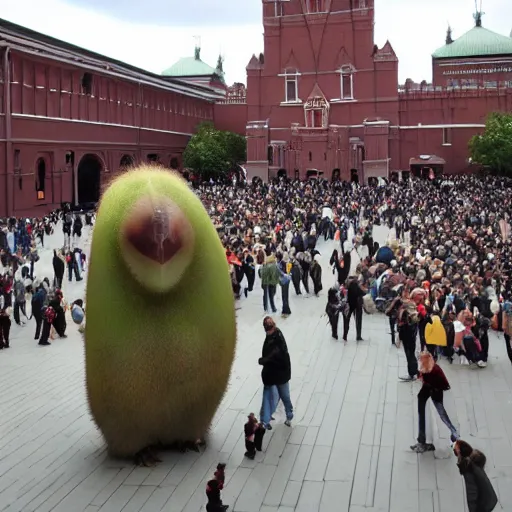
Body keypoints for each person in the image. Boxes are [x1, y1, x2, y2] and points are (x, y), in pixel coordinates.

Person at [411, 352, 460, 453]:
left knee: (443, 414)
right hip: (430, 388)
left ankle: (455, 434)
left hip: (437, 390)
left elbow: (440, 385)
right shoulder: (427, 368)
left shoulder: (434, 370)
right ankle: (422, 440)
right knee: (424, 410)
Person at [258, 317, 294, 430]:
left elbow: (277, 355)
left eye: (269, 329)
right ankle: (265, 419)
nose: (268, 331)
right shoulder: (272, 337)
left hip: (280, 374)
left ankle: (288, 415)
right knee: (270, 396)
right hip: (273, 374)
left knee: (283, 396)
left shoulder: (277, 339)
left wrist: (265, 360)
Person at [454, 441, 498, 512]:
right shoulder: (475, 463)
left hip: (483, 506)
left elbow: (471, 493)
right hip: (489, 499)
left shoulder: (469, 472)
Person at [343, 276, 365, 342]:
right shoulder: (356, 287)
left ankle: (345, 335)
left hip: (348, 306)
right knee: (358, 321)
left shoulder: (346, 287)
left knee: (346, 320)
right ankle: (358, 336)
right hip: (357, 306)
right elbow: (363, 293)